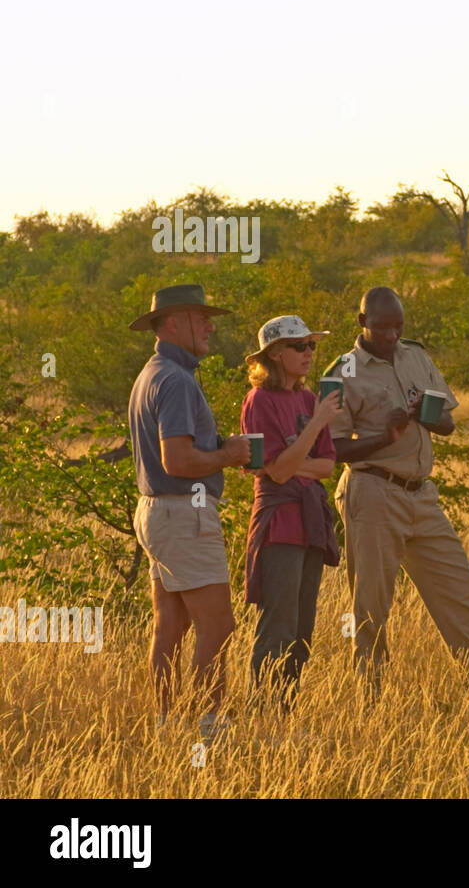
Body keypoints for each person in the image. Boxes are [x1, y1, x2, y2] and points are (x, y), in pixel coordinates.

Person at [326, 286, 469, 698]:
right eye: (382, 327)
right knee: (370, 606)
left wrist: (427, 411)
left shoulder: (417, 355)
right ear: (362, 323)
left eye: (397, 326)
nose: (390, 335)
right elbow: (331, 450)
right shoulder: (343, 371)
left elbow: (448, 422)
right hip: (372, 489)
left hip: (421, 493)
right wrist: (381, 436)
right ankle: (368, 700)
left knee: (461, 590)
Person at [128, 284, 250, 745]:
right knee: (218, 625)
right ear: (174, 323)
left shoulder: (152, 373)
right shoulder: (176, 379)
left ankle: (167, 728)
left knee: (172, 626)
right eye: (202, 319)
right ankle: (209, 733)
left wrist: (218, 451)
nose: (211, 326)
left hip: (157, 512)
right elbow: (177, 461)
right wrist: (232, 454)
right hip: (184, 511)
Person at [239, 315, 341, 709]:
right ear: (276, 355)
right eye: (301, 347)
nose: (310, 353)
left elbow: (326, 467)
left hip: (310, 520)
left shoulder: (307, 398)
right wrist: (313, 430)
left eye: (312, 345)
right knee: (277, 625)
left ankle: (284, 709)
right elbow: (276, 472)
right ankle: (262, 712)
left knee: (301, 630)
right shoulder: (259, 401)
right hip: (280, 523)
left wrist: (287, 463)